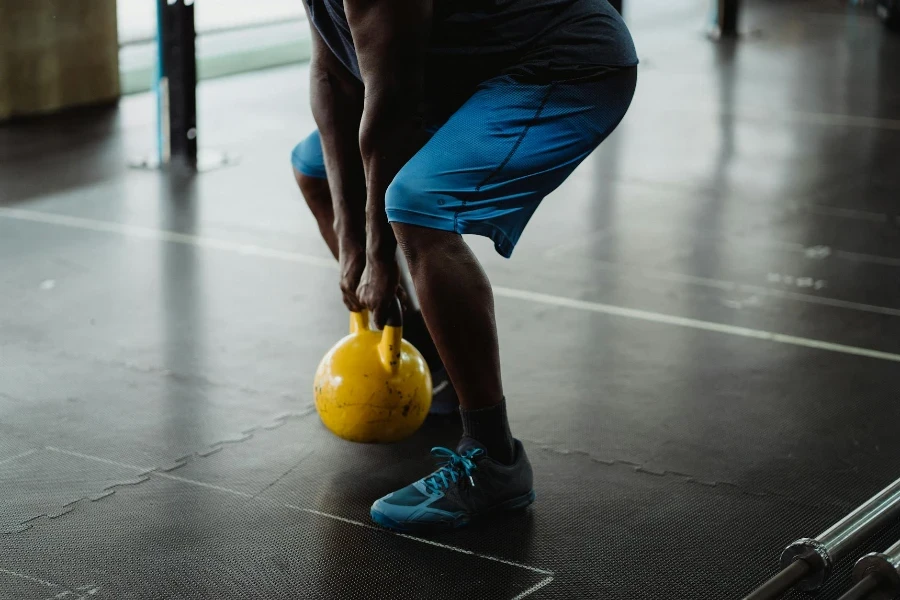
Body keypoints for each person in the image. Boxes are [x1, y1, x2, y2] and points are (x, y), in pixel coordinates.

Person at [291, 0, 638, 533]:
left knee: (417, 204)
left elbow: (392, 104)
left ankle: (494, 460)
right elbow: (331, 77)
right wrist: (349, 236)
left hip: (562, 66)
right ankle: (436, 371)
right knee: (315, 166)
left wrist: (378, 253)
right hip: (461, 75)